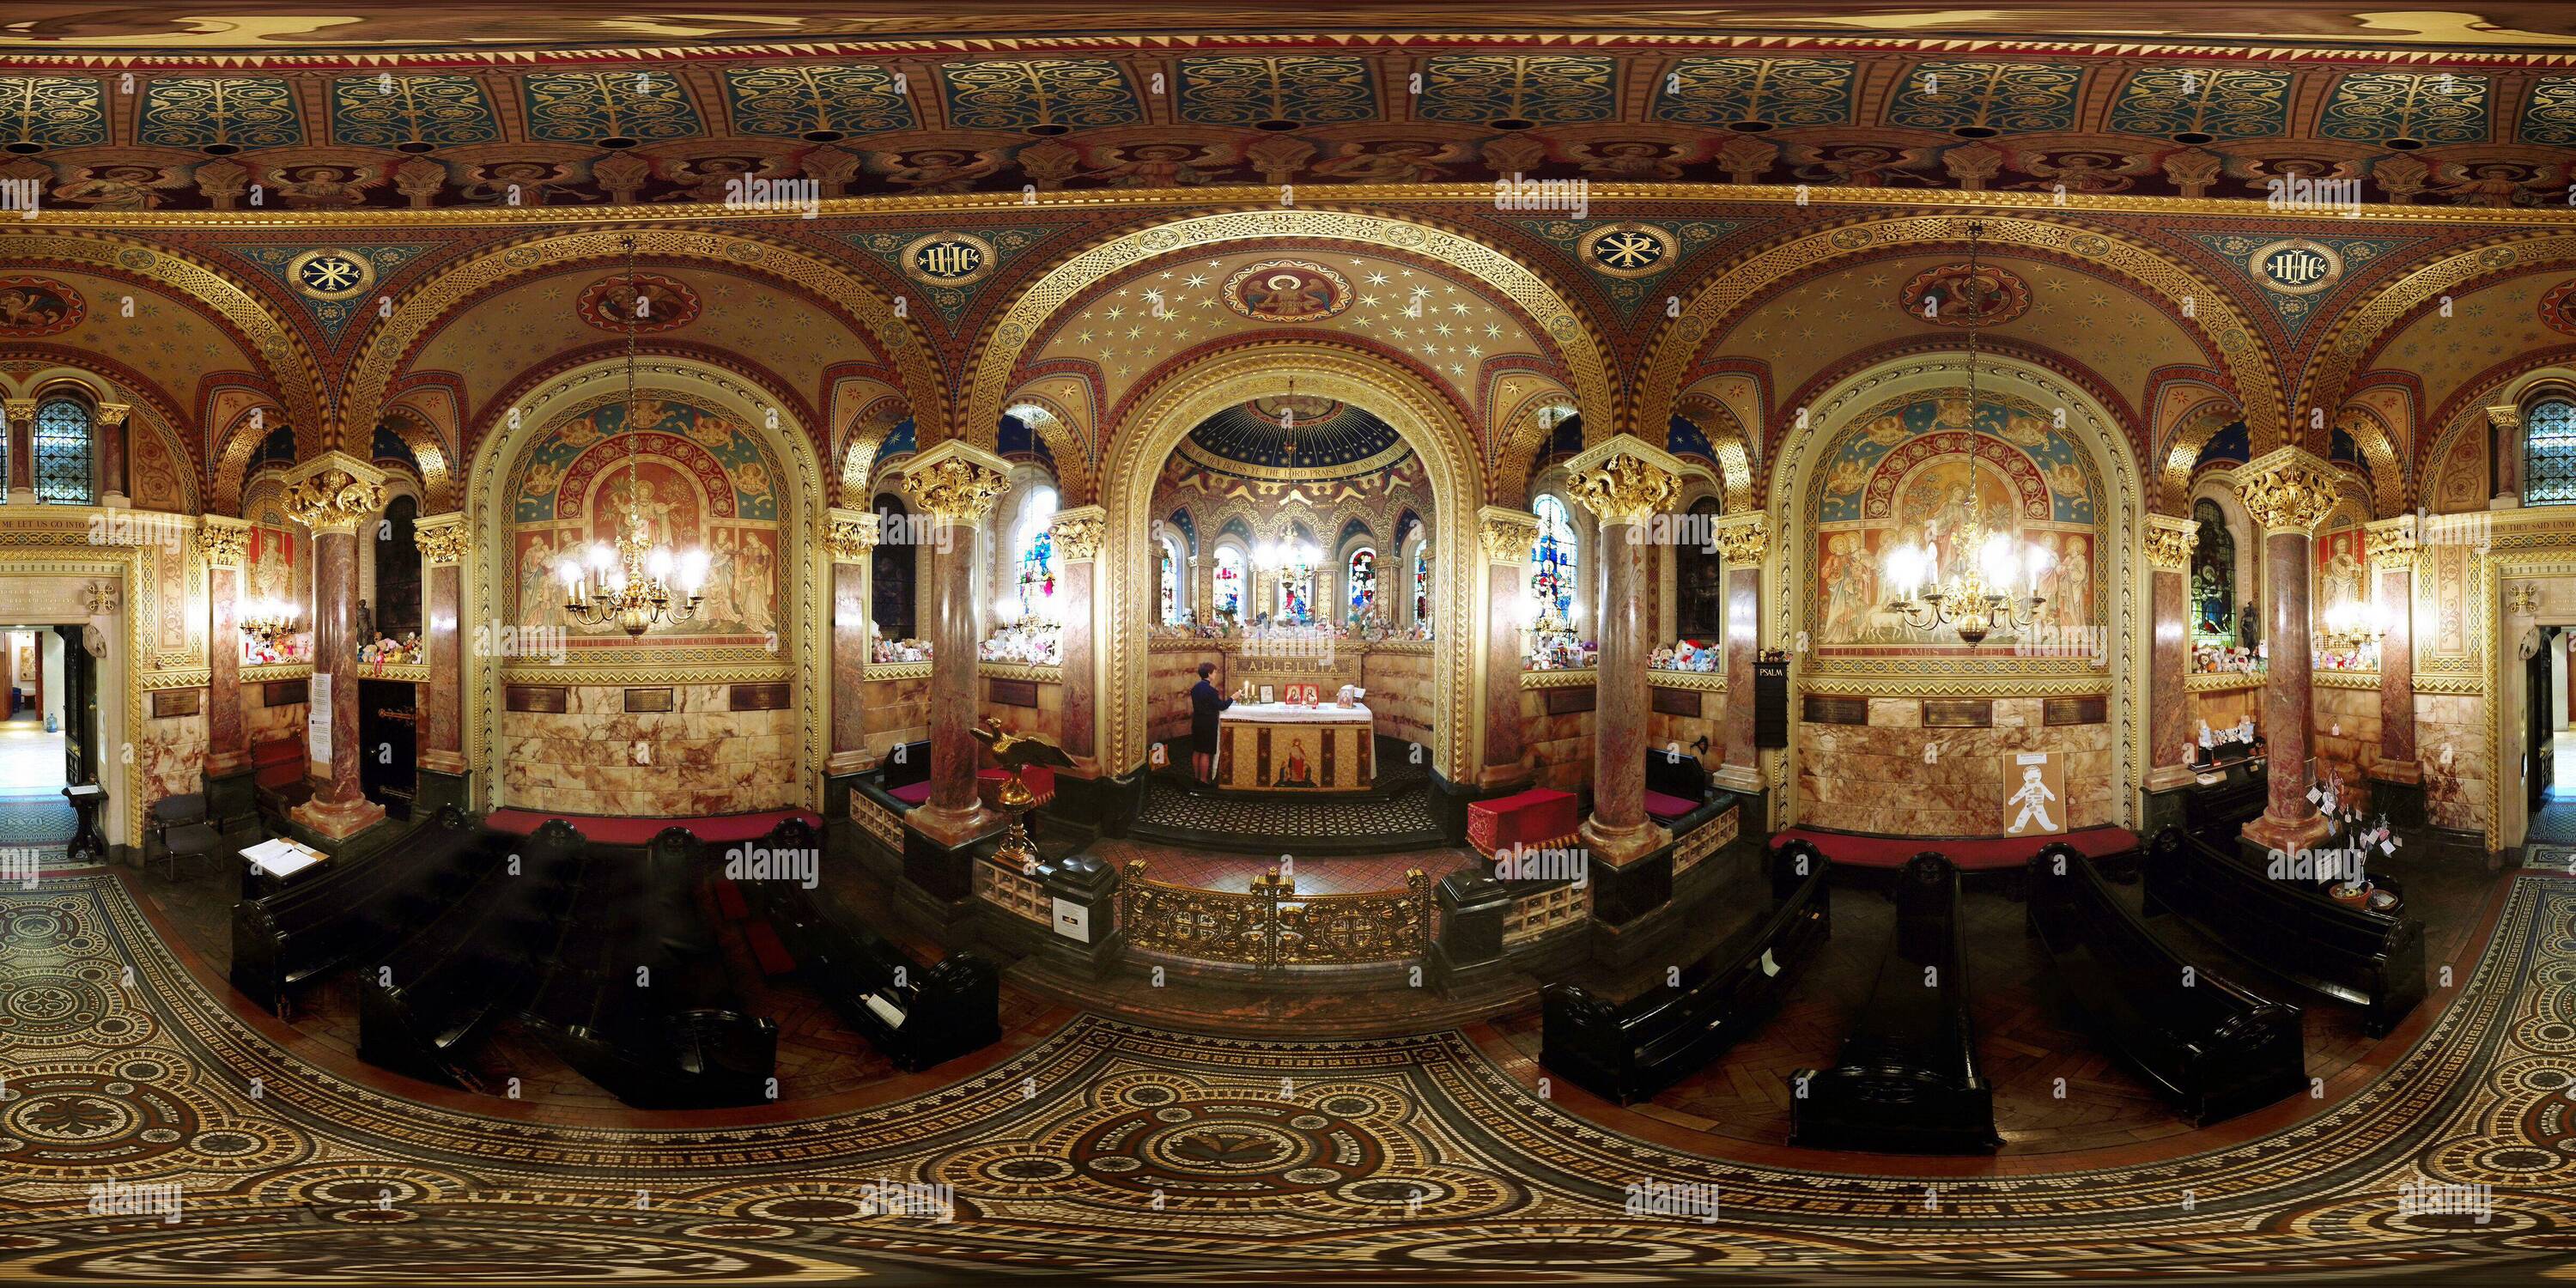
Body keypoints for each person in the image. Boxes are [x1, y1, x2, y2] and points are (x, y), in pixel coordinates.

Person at [1189, 661, 1232, 784]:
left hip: (1197, 722)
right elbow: (1222, 706)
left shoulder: (1195, 688)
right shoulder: (1211, 691)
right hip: (1207, 724)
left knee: (1197, 750)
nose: (1216, 674)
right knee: (1206, 753)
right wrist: (1233, 698)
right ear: (1209, 673)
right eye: (1215, 672)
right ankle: (1203, 779)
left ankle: (1196, 776)